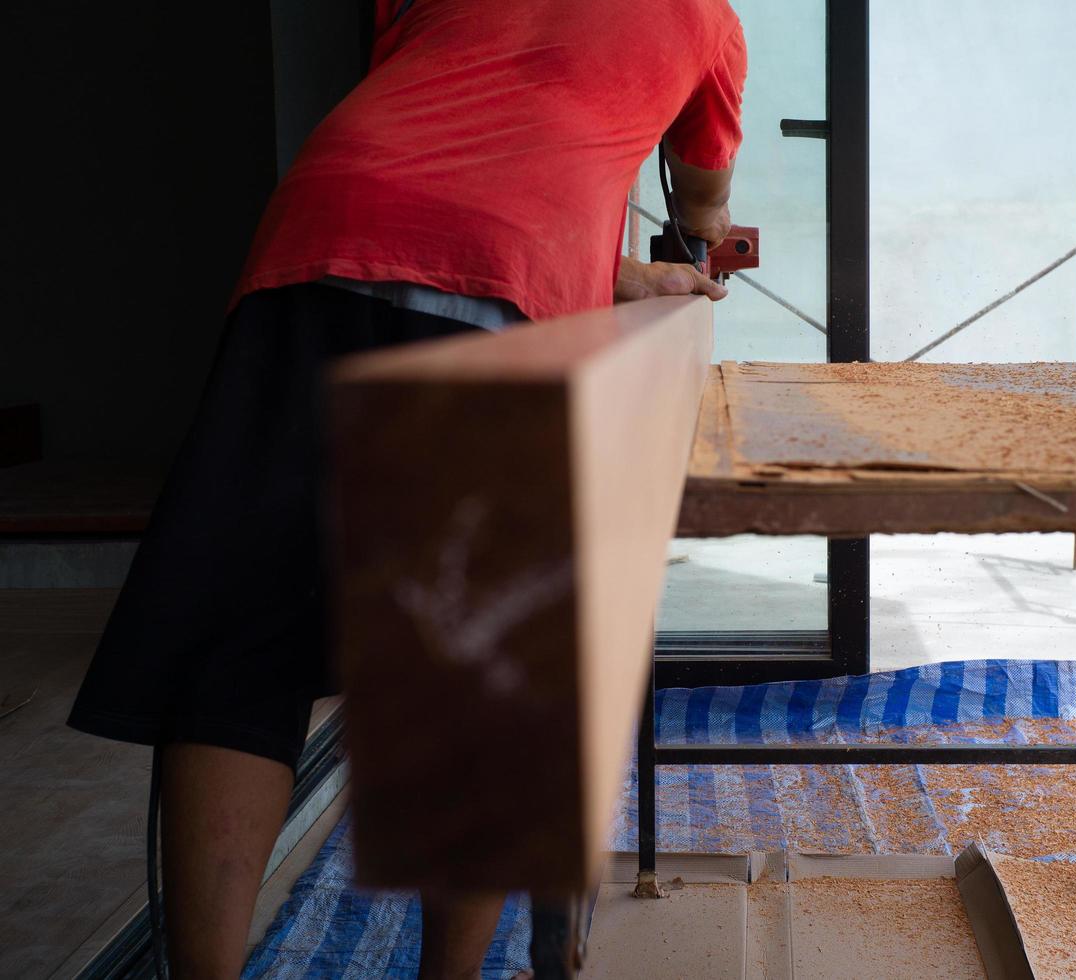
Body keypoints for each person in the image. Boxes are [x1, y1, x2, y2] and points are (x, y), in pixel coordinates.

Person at [67, 0, 747, 975]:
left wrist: (604, 265)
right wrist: (687, 253)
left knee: (240, 656)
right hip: (496, 288)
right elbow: (704, 214)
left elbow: (466, 125)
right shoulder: (707, 20)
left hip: (321, 236)